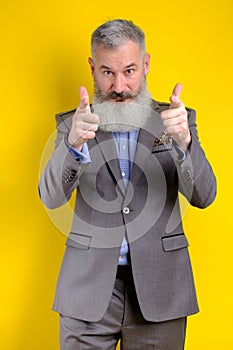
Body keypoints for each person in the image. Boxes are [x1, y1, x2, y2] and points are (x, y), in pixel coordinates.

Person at [39, 19, 216, 350]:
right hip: (87, 296)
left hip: (160, 294)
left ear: (146, 64)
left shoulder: (177, 120)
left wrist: (185, 143)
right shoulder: (72, 124)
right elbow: (50, 197)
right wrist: (73, 144)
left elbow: (205, 195)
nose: (119, 86)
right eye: (107, 72)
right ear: (92, 68)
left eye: (129, 71)